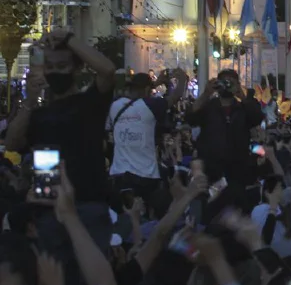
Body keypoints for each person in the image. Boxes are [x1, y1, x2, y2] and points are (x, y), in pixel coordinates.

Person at [5, 28, 117, 258]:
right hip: (49, 208)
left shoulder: (89, 103)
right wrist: (29, 101)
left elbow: (107, 70)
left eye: (62, 66)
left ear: (76, 68)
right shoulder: (39, 114)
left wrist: (69, 38)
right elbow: (12, 143)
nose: (55, 72)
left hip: (87, 205)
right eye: (50, 66)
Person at [184, 69, 263, 213]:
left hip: (237, 170)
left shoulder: (243, 108)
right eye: (224, 82)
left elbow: (257, 117)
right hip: (212, 169)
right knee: (211, 210)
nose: (227, 85)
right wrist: (206, 93)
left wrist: (241, 95)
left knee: (237, 210)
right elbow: (190, 117)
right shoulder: (209, 106)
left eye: (231, 82)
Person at [107, 69, 187, 202]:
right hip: (145, 175)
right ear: (147, 90)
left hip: (119, 174)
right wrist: (183, 78)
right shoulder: (151, 105)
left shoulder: (115, 106)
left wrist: (154, 84)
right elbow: (175, 97)